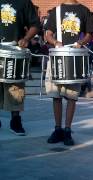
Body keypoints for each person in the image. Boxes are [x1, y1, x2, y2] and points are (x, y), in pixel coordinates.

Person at [45, 0, 93, 145]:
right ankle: (57, 129)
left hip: (75, 57)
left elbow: (89, 34)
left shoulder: (84, 10)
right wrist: (55, 42)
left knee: (72, 97)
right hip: (57, 56)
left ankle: (67, 130)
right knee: (56, 95)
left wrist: (81, 42)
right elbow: (48, 34)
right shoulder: (57, 10)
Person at [0, 0, 40, 135]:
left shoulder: (24, 2)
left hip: (15, 50)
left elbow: (35, 24)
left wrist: (27, 38)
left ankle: (15, 120)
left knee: (16, 86)